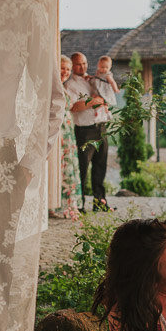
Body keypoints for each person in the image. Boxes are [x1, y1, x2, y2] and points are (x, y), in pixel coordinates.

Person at [63, 52, 109, 212]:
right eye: (78, 64)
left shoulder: (93, 80)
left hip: (101, 127)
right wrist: (92, 101)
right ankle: (80, 204)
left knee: (100, 167)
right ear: (73, 65)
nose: (82, 67)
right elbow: (73, 106)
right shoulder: (70, 85)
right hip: (84, 130)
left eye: (84, 63)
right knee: (82, 168)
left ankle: (100, 202)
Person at [49, 54, 81, 219]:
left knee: (69, 168)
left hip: (68, 132)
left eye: (68, 69)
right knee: (59, 167)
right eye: (62, 68)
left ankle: (69, 205)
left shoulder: (64, 87)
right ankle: (55, 204)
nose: (65, 72)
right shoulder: (52, 87)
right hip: (59, 131)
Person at [88, 55, 119, 125]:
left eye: (106, 67)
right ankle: (97, 114)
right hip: (98, 89)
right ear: (98, 65)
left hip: (104, 90)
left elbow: (112, 82)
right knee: (95, 99)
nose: (104, 69)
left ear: (110, 67)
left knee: (104, 102)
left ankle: (107, 112)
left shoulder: (108, 75)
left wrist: (115, 89)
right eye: (102, 67)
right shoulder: (98, 72)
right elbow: (96, 77)